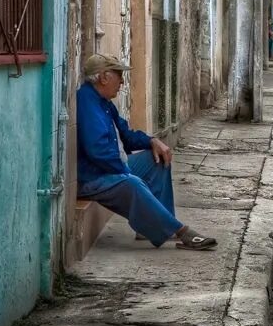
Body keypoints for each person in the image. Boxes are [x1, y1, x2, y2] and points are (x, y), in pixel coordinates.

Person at [76, 54, 217, 250]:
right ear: (104, 77)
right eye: (118, 75)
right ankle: (180, 231)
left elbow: (127, 135)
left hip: (111, 167)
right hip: (94, 177)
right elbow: (98, 151)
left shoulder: (105, 103)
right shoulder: (87, 101)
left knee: (157, 159)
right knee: (133, 183)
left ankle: (153, 227)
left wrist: (152, 141)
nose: (122, 81)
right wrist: (125, 172)